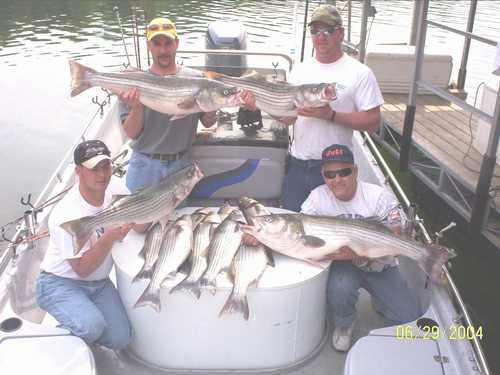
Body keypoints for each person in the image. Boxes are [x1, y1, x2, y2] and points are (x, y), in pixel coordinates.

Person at [301, 144, 421, 352]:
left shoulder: (378, 196)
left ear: (356, 171)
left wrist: (368, 254)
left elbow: (396, 233)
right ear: (323, 175)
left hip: (381, 264)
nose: (337, 179)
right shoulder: (316, 198)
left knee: (409, 318)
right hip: (344, 265)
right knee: (340, 288)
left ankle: (380, 299)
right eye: (330, 174)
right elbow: (300, 233)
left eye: (344, 172)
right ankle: (345, 323)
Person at [119, 17, 255, 192]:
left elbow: (208, 123)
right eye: (157, 44)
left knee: (177, 218)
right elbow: (131, 132)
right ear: (149, 46)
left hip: (180, 165)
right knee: (136, 219)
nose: (163, 50)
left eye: (167, 43)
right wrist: (137, 106)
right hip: (145, 163)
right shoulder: (134, 82)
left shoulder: (197, 79)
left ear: (176, 43)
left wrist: (214, 106)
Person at [281, 4, 384, 212]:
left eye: (328, 30)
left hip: (336, 170)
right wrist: (258, 105)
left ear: (341, 33)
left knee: (330, 232)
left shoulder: (360, 72)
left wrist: (331, 115)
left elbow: (373, 122)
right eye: (315, 31)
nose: (321, 36)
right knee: (293, 226)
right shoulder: (300, 70)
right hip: (298, 163)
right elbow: (288, 119)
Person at [36, 140, 136, 350]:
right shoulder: (66, 214)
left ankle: (80, 328)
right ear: (78, 171)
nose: (102, 175)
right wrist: (108, 237)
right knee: (91, 326)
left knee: (121, 339)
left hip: (99, 283)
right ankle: (57, 345)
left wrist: (158, 207)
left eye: (106, 167)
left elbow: (140, 220)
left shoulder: (115, 186)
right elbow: (81, 269)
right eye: (94, 169)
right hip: (59, 282)